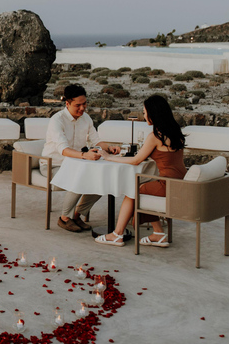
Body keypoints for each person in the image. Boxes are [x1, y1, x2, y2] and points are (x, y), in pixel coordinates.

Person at [95, 94, 186, 247]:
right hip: (180, 181)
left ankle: (117, 234)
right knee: (142, 187)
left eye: (144, 112)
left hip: (167, 184)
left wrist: (108, 157)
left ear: (153, 113)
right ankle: (158, 233)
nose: (144, 116)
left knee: (132, 190)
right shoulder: (175, 131)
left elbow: (135, 160)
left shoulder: (155, 136)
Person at [41, 84, 120, 232]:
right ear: (67, 103)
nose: (82, 108)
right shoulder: (56, 120)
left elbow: (96, 141)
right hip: (53, 165)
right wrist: (85, 156)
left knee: (103, 180)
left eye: (84, 104)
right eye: (78, 105)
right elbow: (63, 150)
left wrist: (109, 148)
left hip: (76, 164)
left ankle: (77, 215)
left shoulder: (86, 118)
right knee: (79, 176)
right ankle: (64, 218)